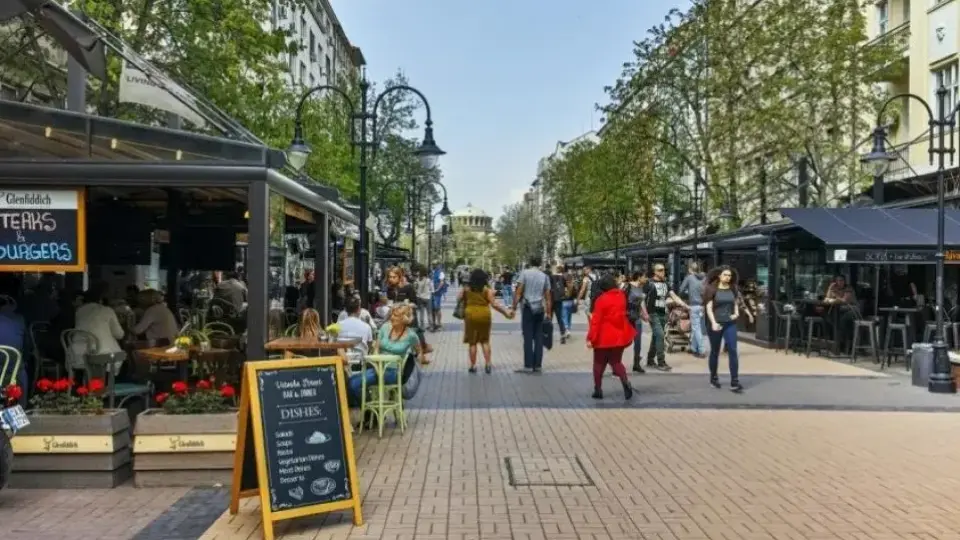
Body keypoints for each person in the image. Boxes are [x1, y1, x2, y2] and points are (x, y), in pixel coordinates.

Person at [586, 274, 635, 400]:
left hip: (603, 336)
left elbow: (596, 321)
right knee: (616, 362)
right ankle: (625, 382)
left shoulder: (601, 300)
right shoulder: (621, 296)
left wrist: (591, 338)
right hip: (619, 336)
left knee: (598, 363)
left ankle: (598, 389)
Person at [459, 268, 512, 374]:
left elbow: (459, 299)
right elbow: (494, 304)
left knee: (472, 342)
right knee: (485, 341)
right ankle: (488, 364)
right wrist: (506, 313)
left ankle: (472, 366)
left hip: (470, 315)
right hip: (484, 315)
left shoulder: (466, 289)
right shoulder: (486, 290)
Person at [704, 266, 743, 393]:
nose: (728, 277)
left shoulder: (733, 288)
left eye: (730, 275)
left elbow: (736, 302)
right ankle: (714, 378)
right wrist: (714, 322)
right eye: (725, 275)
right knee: (715, 351)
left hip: (730, 323)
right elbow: (709, 308)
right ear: (719, 276)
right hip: (716, 323)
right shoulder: (712, 289)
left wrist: (736, 313)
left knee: (733, 349)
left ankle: (735, 381)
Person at [642, 264, 688, 371]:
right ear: (654, 272)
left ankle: (650, 359)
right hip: (653, 313)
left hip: (663, 313)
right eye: (660, 270)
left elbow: (674, 296)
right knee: (660, 335)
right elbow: (642, 300)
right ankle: (661, 362)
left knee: (656, 336)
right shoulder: (648, 283)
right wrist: (645, 313)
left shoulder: (666, 283)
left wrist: (684, 305)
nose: (663, 272)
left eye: (664, 270)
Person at [73, 283, 126, 375]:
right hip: (102, 356)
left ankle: (86, 383)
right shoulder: (107, 310)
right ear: (101, 300)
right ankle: (109, 384)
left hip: (78, 354)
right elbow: (119, 335)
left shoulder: (79, 311)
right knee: (120, 354)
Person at [511, 255, 552, 374]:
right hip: (540, 308)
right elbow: (548, 297)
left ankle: (528, 365)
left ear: (530, 262)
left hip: (528, 308)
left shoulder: (525, 273)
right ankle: (538, 365)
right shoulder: (544, 276)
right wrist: (549, 313)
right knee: (539, 337)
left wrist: (513, 307)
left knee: (528, 337)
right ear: (539, 263)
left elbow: (518, 292)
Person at [679, 262, 707, 359]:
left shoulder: (689, 277)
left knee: (696, 328)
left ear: (690, 269)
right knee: (697, 327)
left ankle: (702, 350)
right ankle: (693, 348)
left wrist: (688, 293)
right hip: (703, 306)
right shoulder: (705, 278)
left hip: (693, 306)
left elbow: (681, 290)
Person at [623, 271, 648, 373]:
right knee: (624, 341)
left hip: (637, 317)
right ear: (639, 277)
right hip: (627, 316)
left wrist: (645, 314)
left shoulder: (641, 287)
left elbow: (641, 302)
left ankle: (636, 364)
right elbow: (621, 299)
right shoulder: (627, 286)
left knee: (638, 341)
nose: (646, 279)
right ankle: (614, 361)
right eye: (644, 276)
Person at [549, 265, 570, 344]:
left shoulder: (550, 277)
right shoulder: (562, 278)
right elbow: (566, 287)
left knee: (549, 318)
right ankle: (562, 334)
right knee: (559, 318)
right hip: (559, 300)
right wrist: (567, 294)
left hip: (551, 299)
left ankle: (548, 335)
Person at [414, 265, 434, 331]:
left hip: (419, 297)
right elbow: (432, 289)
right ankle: (431, 327)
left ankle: (422, 326)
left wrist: (418, 292)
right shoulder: (429, 280)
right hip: (427, 298)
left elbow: (415, 288)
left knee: (421, 313)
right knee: (429, 313)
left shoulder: (417, 280)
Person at [430, 262, 447, 331]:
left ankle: (439, 323)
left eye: (435, 264)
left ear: (438, 265)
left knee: (437, 308)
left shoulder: (441, 273)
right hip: (431, 293)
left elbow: (442, 282)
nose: (434, 265)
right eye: (433, 264)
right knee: (432, 308)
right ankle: (433, 323)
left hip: (437, 293)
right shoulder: (431, 272)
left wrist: (437, 289)